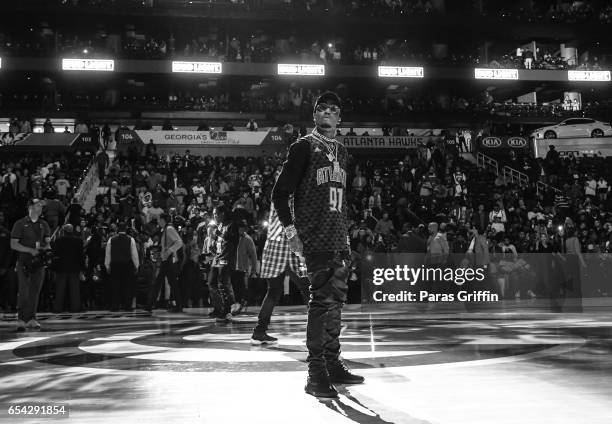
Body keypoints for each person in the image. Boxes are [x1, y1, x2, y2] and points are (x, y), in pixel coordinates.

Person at [272, 91, 364, 399]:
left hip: (338, 237)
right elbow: (279, 193)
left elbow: (343, 199)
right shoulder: (303, 147)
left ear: (339, 117)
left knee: (336, 303)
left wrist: (347, 235)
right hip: (314, 237)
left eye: (332, 109)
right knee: (321, 303)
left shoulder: (342, 150)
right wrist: (289, 231)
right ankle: (315, 374)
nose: (326, 113)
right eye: (321, 109)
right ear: (314, 115)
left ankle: (332, 363)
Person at [250, 202, 310, 345]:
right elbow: (291, 225)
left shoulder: (277, 197)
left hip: (273, 249)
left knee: (273, 291)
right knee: (307, 289)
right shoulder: (292, 198)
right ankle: (316, 331)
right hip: (289, 249)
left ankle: (259, 331)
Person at [10, 198, 52, 331]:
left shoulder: (44, 224)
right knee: (24, 290)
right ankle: (21, 319)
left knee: (35, 290)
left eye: (41, 206)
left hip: (39, 262)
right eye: (37, 205)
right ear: (30, 207)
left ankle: (32, 318)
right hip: (24, 261)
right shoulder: (20, 223)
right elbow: (13, 244)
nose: (40, 208)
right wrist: (30, 250)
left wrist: (47, 249)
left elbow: (47, 243)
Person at [207, 205, 239, 322]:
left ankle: (227, 311)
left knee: (222, 285)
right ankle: (219, 308)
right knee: (211, 283)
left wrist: (220, 234)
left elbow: (234, 241)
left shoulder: (231, 225)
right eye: (213, 214)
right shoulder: (219, 225)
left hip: (226, 259)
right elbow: (219, 242)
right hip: (217, 258)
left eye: (216, 214)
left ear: (222, 214)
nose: (214, 216)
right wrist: (213, 246)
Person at [105, 221, 140, 311]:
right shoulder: (131, 239)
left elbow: (108, 254)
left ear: (117, 229)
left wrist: (107, 265)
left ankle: (115, 306)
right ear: (126, 229)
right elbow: (134, 254)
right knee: (127, 286)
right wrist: (136, 265)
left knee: (115, 286)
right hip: (127, 265)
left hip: (115, 264)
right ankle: (127, 306)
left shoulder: (111, 239)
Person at [51, 224, 85, 313]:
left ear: (64, 231)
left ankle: (57, 308)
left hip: (61, 268)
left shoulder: (58, 240)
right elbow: (81, 256)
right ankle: (76, 308)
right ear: (72, 230)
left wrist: (54, 269)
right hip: (74, 268)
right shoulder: (78, 241)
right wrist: (82, 269)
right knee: (75, 290)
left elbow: (55, 255)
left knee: (60, 289)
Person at [157, 213, 184, 312]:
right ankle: (179, 305)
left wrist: (169, 251)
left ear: (163, 220)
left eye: (159, 219)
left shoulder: (169, 229)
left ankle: (150, 305)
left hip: (169, 260)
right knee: (172, 283)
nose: (158, 221)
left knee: (159, 282)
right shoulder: (165, 229)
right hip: (167, 259)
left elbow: (179, 242)